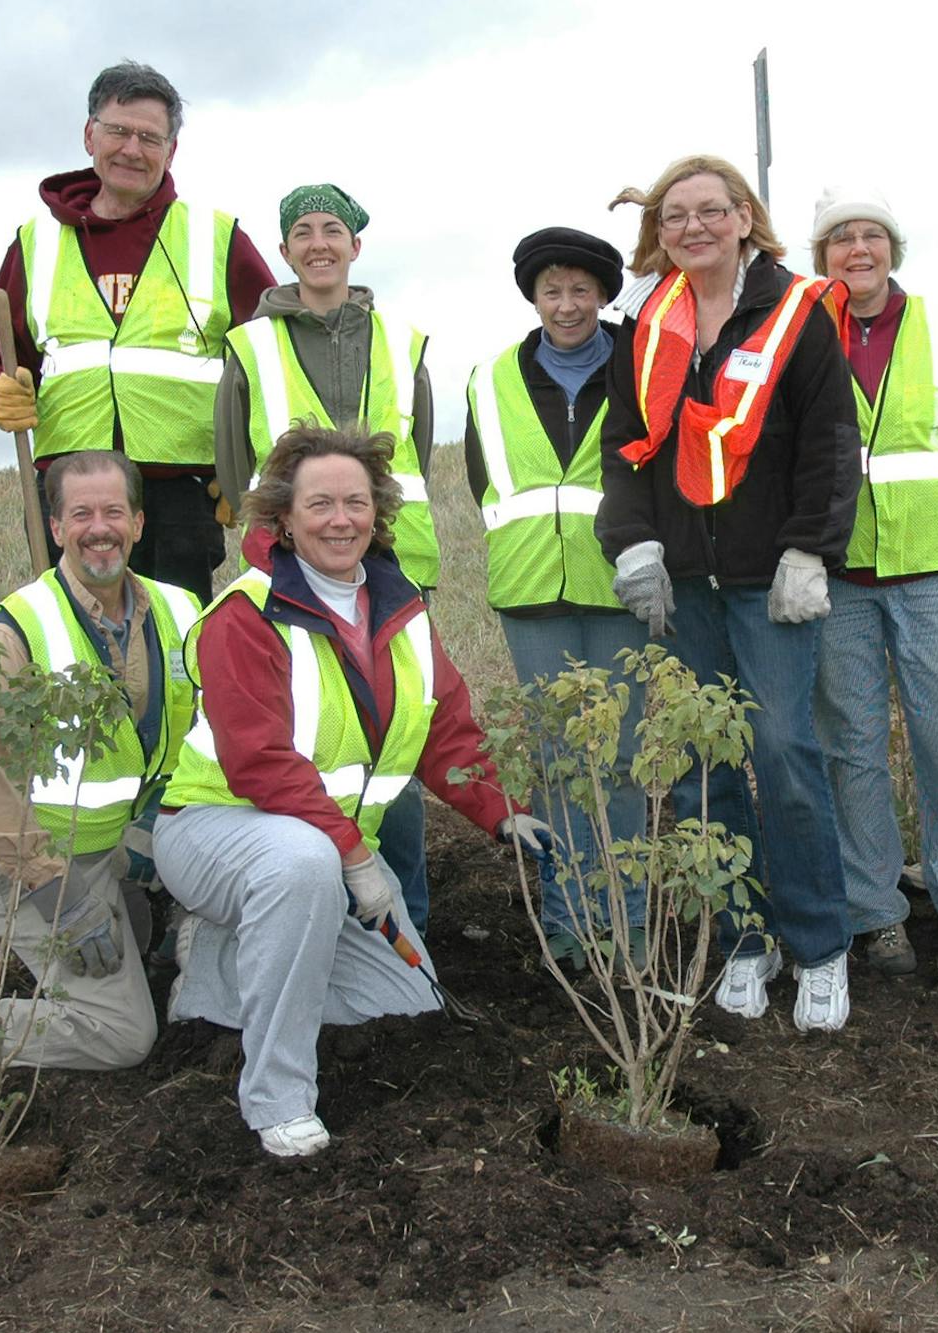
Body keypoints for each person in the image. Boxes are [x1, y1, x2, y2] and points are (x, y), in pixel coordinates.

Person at [152, 423, 551, 1158]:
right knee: (299, 863)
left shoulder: (401, 611)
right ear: (283, 516)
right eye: (321, 504)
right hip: (217, 832)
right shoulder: (247, 614)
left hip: (323, 849)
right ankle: (278, 1097)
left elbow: (447, 730)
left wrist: (502, 815)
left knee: (407, 1001)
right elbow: (261, 760)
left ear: (378, 510)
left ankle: (217, 970)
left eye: (357, 502)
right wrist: (353, 858)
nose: (342, 519)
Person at [598, 153, 860, 1034]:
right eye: (675, 216)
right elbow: (626, 445)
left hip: (768, 580)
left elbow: (830, 442)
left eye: (712, 211)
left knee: (784, 753)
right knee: (710, 765)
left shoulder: (798, 311)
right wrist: (633, 542)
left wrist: (809, 553)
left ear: (745, 218)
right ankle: (749, 938)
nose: (693, 228)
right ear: (657, 232)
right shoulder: (650, 323)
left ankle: (821, 943)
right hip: (685, 585)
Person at [0, 450, 201, 1099]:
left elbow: (208, 736)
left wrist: (156, 822)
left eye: (113, 511)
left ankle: (134, 920)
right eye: (81, 513)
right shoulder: (15, 629)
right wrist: (64, 900)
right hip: (23, 865)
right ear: (56, 527)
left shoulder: (182, 611)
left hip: (112, 845)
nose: (98, 527)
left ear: (138, 522)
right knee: (124, 1032)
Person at [804, 187, 938, 974]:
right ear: (820, 255)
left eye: (872, 236)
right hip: (835, 575)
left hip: (936, 568)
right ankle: (874, 911)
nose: (857, 251)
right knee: (851, 745)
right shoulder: (800, 330)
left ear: (893, 248)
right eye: (839, 239)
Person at [213, 182, 441, 932]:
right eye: (303, 230)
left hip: (393, 574)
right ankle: (315, 913)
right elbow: (232, 460)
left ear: (355, 246)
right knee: (307, 737)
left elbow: (419, 462)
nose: (319, 242)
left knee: (397, 746)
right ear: (284, 250)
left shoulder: (402, 342)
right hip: (291, 576)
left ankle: (407, 921)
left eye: (333, 229)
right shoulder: (249, 346)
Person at [0, 61, 276, 603]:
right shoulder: (35, 242)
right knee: (73, 638)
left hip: (181, 493)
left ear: (172, 150)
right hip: (70, 485)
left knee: (177, 641)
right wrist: (0, 383)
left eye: (149, 137)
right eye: (118, 131)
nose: (132, 149)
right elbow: (3, 349)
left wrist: (248, 466)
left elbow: (272, 359)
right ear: (90, 134)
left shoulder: (215, 237)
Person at [464, 227, 648, 970]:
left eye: (581, 290)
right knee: (558, 759)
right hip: (531, 591)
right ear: (532, 296)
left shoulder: (640, 367)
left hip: (621, 589)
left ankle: (630, 922)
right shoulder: (489, 377)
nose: (566, 305)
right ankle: (570, 921)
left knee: (624, 758)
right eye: (551, 291)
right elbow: (482, 478)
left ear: (603, 294)